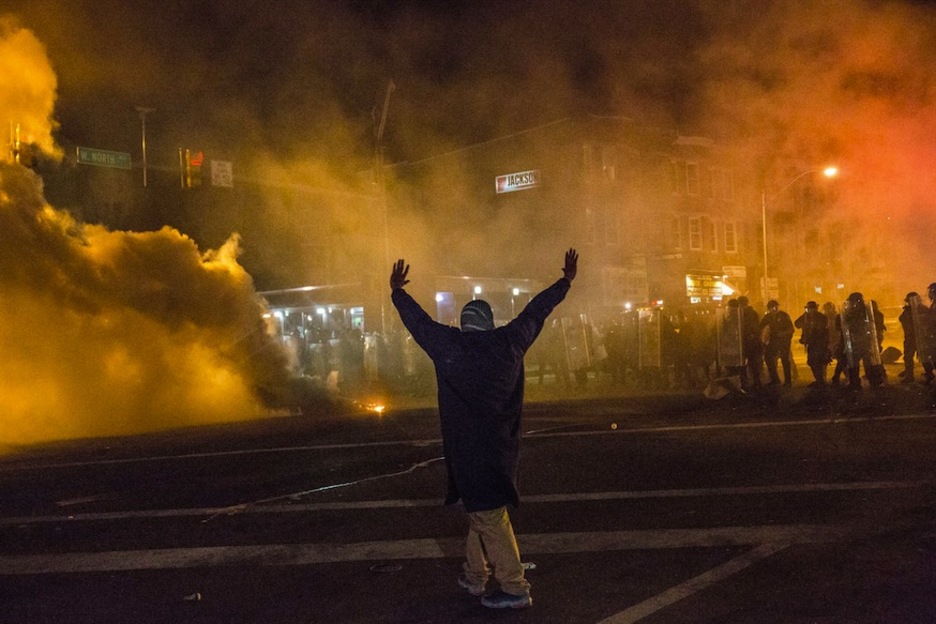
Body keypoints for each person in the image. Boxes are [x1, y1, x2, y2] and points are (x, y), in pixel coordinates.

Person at [389, 248, 578, 610]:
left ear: (464, 324)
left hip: (467, 450)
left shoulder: (449, 346)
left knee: (488, 515)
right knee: (483, 510)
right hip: (502, 445)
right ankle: (475, 575)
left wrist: (398, 292)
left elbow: (418, 322)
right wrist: (565, 281)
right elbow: (536, 311)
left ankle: (514, 586)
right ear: (489, 323)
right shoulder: (509, 342)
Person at [795, 301, 830, 386]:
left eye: (812, 309)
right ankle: (819, 380)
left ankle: (820, 380)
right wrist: (804, 317)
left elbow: (821, 330)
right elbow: (797, 324)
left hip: (820, 343)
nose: (811, 311)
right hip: (810, 343)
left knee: (818, 361)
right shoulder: (805, 317)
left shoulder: (821, 317)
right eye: (809, 309)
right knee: (811, 361)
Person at [760, 299, 795, 386]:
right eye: (772, 308)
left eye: (776, 307)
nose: (774, 309)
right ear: (769, 309)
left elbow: (791, 329)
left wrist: (783, 334)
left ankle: (788, 381)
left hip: (783, 342)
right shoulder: (767, 317)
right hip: (772, 342)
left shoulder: (784, 316)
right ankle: (775, 379)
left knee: (785, 360)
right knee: (768, 359)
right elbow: (761, 328)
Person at [898, 292, 919, 383]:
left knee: (923, 357)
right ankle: (908, 373)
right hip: (910, 337)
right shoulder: (910, 310)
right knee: (908, 356)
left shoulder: (918, 310)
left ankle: (909, 375)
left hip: (914, 337)